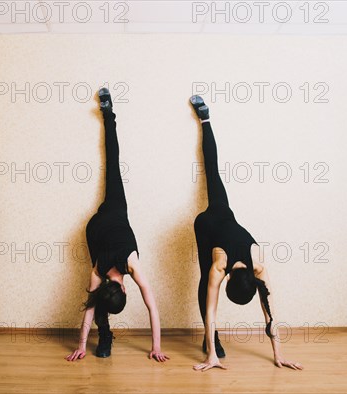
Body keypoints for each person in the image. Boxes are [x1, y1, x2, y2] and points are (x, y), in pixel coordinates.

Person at [190, 95, 303, 372]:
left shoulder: (259, 269)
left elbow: (270, 315)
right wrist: (211, 357)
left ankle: (206, 119)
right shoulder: (221, 267)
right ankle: (211, 343)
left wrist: (279, 354)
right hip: (205, 225)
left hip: (223, 213)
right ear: (229, 277)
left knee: (213, 169)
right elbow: (213, 309)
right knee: (206, 281)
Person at [66, 88, 169, 362]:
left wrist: (80, 345)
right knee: (113, 163)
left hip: (109, 215)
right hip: (93, 228)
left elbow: (151, 306)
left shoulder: (129, 264)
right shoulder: (98, 272)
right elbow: (90, 308)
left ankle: (108, 112)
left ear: (124, 289)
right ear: (121, 288)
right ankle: (104, 335)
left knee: (113, 162)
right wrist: (155, 348)